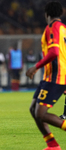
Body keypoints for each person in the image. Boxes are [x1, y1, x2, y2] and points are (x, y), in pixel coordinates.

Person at [26, 2, 66, 150]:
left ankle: (53, 145)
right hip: (51, 77)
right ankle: (52, 145)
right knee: (33, 110)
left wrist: (36, 66)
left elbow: (54, 52)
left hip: (57, 76)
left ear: (46, 14)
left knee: (40, 113)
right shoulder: (63, 29)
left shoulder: (52, 27)